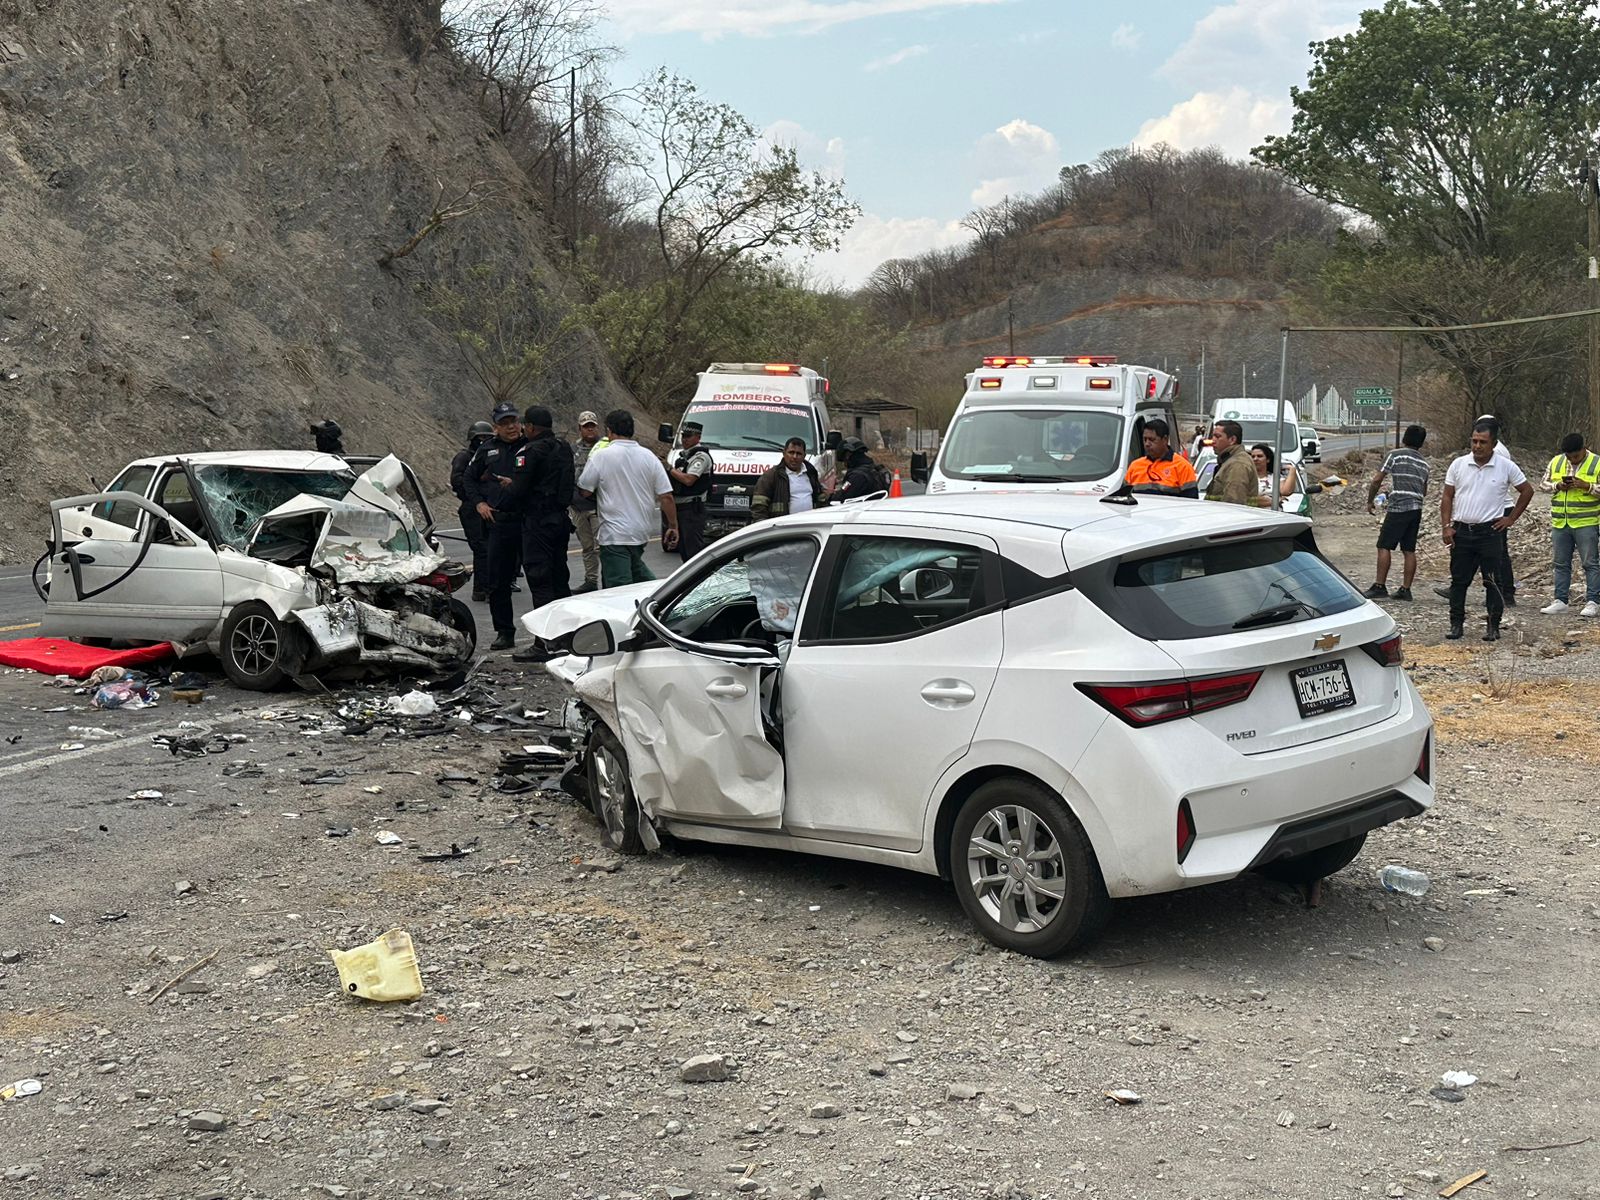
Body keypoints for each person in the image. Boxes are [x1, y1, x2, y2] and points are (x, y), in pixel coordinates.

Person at [1440, 419, 1533, 641]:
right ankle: (1456, 625)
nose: (1477, 446)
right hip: (1462, 531)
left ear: (1494, 443)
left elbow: (1527, 491)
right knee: (1459, 581)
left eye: (1483, 442)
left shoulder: (1506, 466)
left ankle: (1493, 626)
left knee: (1492, 580)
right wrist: (1446, 526)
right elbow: (1447, 495)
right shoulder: (1458, 464)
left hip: (1490, 532)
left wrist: (1510, 519)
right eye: (1474, 441)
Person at [577, 408, 679, 587]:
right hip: (640, 532)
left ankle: (658, 603)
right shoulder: (649, 457)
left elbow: (585, 489)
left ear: (609, 431)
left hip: (614, 534)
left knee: (619, 589)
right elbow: (667, 497)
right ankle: (661, 599)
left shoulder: (602, 456)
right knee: (637, 574)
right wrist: (673, 526)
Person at [498, 406, 575, 629]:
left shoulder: (529, 452)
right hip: (560, 520)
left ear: (530, 426)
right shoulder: (564, 447)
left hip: (537, 523)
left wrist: (508, 487)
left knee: (540, 580)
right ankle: (568, 634)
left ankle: (545, 641)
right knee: (560, 578)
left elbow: (518, 491)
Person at [463, 402, 528, 650]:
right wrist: (479, 503)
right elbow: (468, 478)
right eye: (504, 423)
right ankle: (504, 632)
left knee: (537, 576)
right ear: (495, 427)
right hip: (498, 522)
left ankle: (546, 635)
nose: (510, 426)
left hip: (527, 521)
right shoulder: (487, 450)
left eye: (513, 421)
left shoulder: (530, 447)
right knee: (498, 581)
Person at [1363, 424, 1429, 601]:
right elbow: (1424, 491)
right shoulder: (1424, 464)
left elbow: (1377, 479)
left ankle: (1379, 586)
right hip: (1416, 508)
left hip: (1399, 506)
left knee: (1384, 545)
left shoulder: (1395, 455)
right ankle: (1405, 589)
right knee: (1409, 549)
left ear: (1404, 439)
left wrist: (1371, 500)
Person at [1539, 432, 1600, 618]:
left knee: (1590, 563)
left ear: (1584, 448)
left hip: (1586, 521)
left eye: (1576, 456)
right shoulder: (1556, 462)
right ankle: (1560, 600)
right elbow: (1543, 484)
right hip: (1560, 521)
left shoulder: (1597, 463)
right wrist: (1558, 486)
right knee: (1560, 563)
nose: (1572, 460)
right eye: (1569, 456)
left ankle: (1593, 601)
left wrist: (1586, 486)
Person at [450, 420, 495, 602]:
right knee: (481, 549)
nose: (483, 441)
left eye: (487, 437)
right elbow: (458, 481)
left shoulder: (489, 457)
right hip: (471, 508)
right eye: (480, 438)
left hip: (487, 506)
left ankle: (483, 588)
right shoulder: (464, 457)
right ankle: (482, 589)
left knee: (489, 549)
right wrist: (476, 486)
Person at [664, 420, 715, 561]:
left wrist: (669, 469)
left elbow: (689, 479)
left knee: (693, 554)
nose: (684, 439)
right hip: (681, 509)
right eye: (683, 436)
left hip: (692, 510)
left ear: (698, 437)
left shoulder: (701, 457)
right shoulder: (684, 457)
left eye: (688, 436)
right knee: (684, 552)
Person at [568, 412, 603, 594]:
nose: (589, 429)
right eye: (585, 426)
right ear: (579, 428)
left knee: (602, 547)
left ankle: (609, 580)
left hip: (599, 506)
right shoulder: (572, 450)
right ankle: (591, 580)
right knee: (587, 546)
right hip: (578, 507)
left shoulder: (604, 447)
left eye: (592, 425)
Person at [753, 437, 829, 520]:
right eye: (791, 452)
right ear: (784, 453)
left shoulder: (811, 473)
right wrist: (764, 528)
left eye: (799, 453)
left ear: (804, 456)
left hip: (808, 526)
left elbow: (821, 500)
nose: (794, 457)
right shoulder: (772, 475)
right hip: (782, 528)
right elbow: (758, 506)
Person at [1124, 419, 1198, 497]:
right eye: (1145, 439)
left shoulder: (1183, 467)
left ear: (1165, 439)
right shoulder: (1135, 466)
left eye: (1152, 440)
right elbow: (1124, 497)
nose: (1147, 444)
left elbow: (1191, 502)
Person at [1204, 420, 1255, 505]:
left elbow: (1234, 502)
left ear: (1232, 440)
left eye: (1217, 436)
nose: (1213, 440)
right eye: (1213, 436)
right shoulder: (1229, 461)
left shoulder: (1238, 464)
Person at [833, 437, 889, 503]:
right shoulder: (878, 470)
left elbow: (842, 497)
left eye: (844, 460)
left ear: (848, 455)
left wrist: (828, 496)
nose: (845, 464)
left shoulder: (857, 476)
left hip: (860, 510)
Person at [1247, 443, 1301, 509]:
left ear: (1268, 459)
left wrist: (1292, 469)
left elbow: (1286, 491)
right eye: (1253, 457)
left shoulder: (1275, 478)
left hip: (1275, 515)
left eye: (1259, 456)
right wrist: (1273, 501)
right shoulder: (1247, 478)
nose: (1255, 459)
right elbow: (1245, 500)